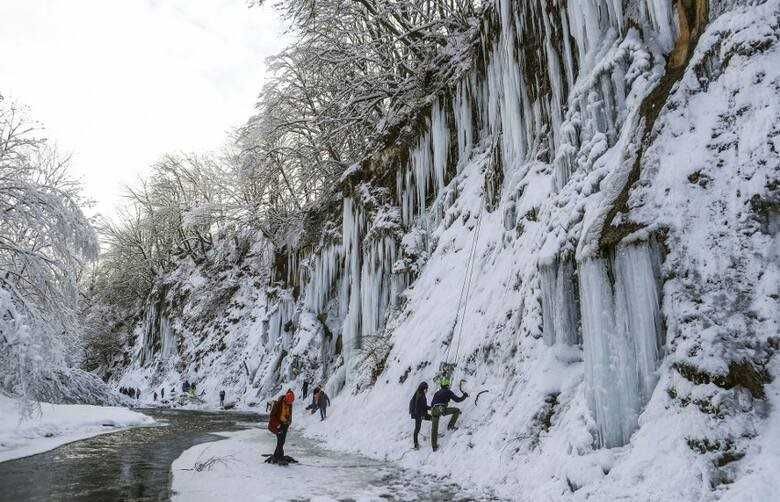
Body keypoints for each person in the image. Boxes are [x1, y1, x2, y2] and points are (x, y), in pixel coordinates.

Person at [430, 377, 468, 451]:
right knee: (456, 410)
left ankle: (434, 446)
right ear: (447, 385)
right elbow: (457, 400)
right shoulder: (448, 392)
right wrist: (465, 396)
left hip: (433, 410)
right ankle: (450, 426)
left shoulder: (437, 392)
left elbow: (432, 403)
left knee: (434, 428)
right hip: (441, 408)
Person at [267, 389, 295, 465]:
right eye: (289, 402)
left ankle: (276, 456)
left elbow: (290, 414)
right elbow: (272, 416)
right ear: (286, 398)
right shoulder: (278, 403)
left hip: (285, 424)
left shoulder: (290, 404)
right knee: (280, 440)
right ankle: (280, 457)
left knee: (282, 441)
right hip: (278, 424)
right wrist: (278, 424)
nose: (290, 404)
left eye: (291, 402)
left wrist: (288, 423)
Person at [409, 382, 431, 450]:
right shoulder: (419, 395)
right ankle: (416, 444)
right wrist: (420, 415)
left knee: (434, 418)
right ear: (423, 388)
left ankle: (435, 433)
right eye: (426, 389)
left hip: (421, 414)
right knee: (417, 429)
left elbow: (423, 406)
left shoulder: (421, 394)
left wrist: (430, 408)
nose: (427, 390)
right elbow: (417, 407)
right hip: (418, 415)